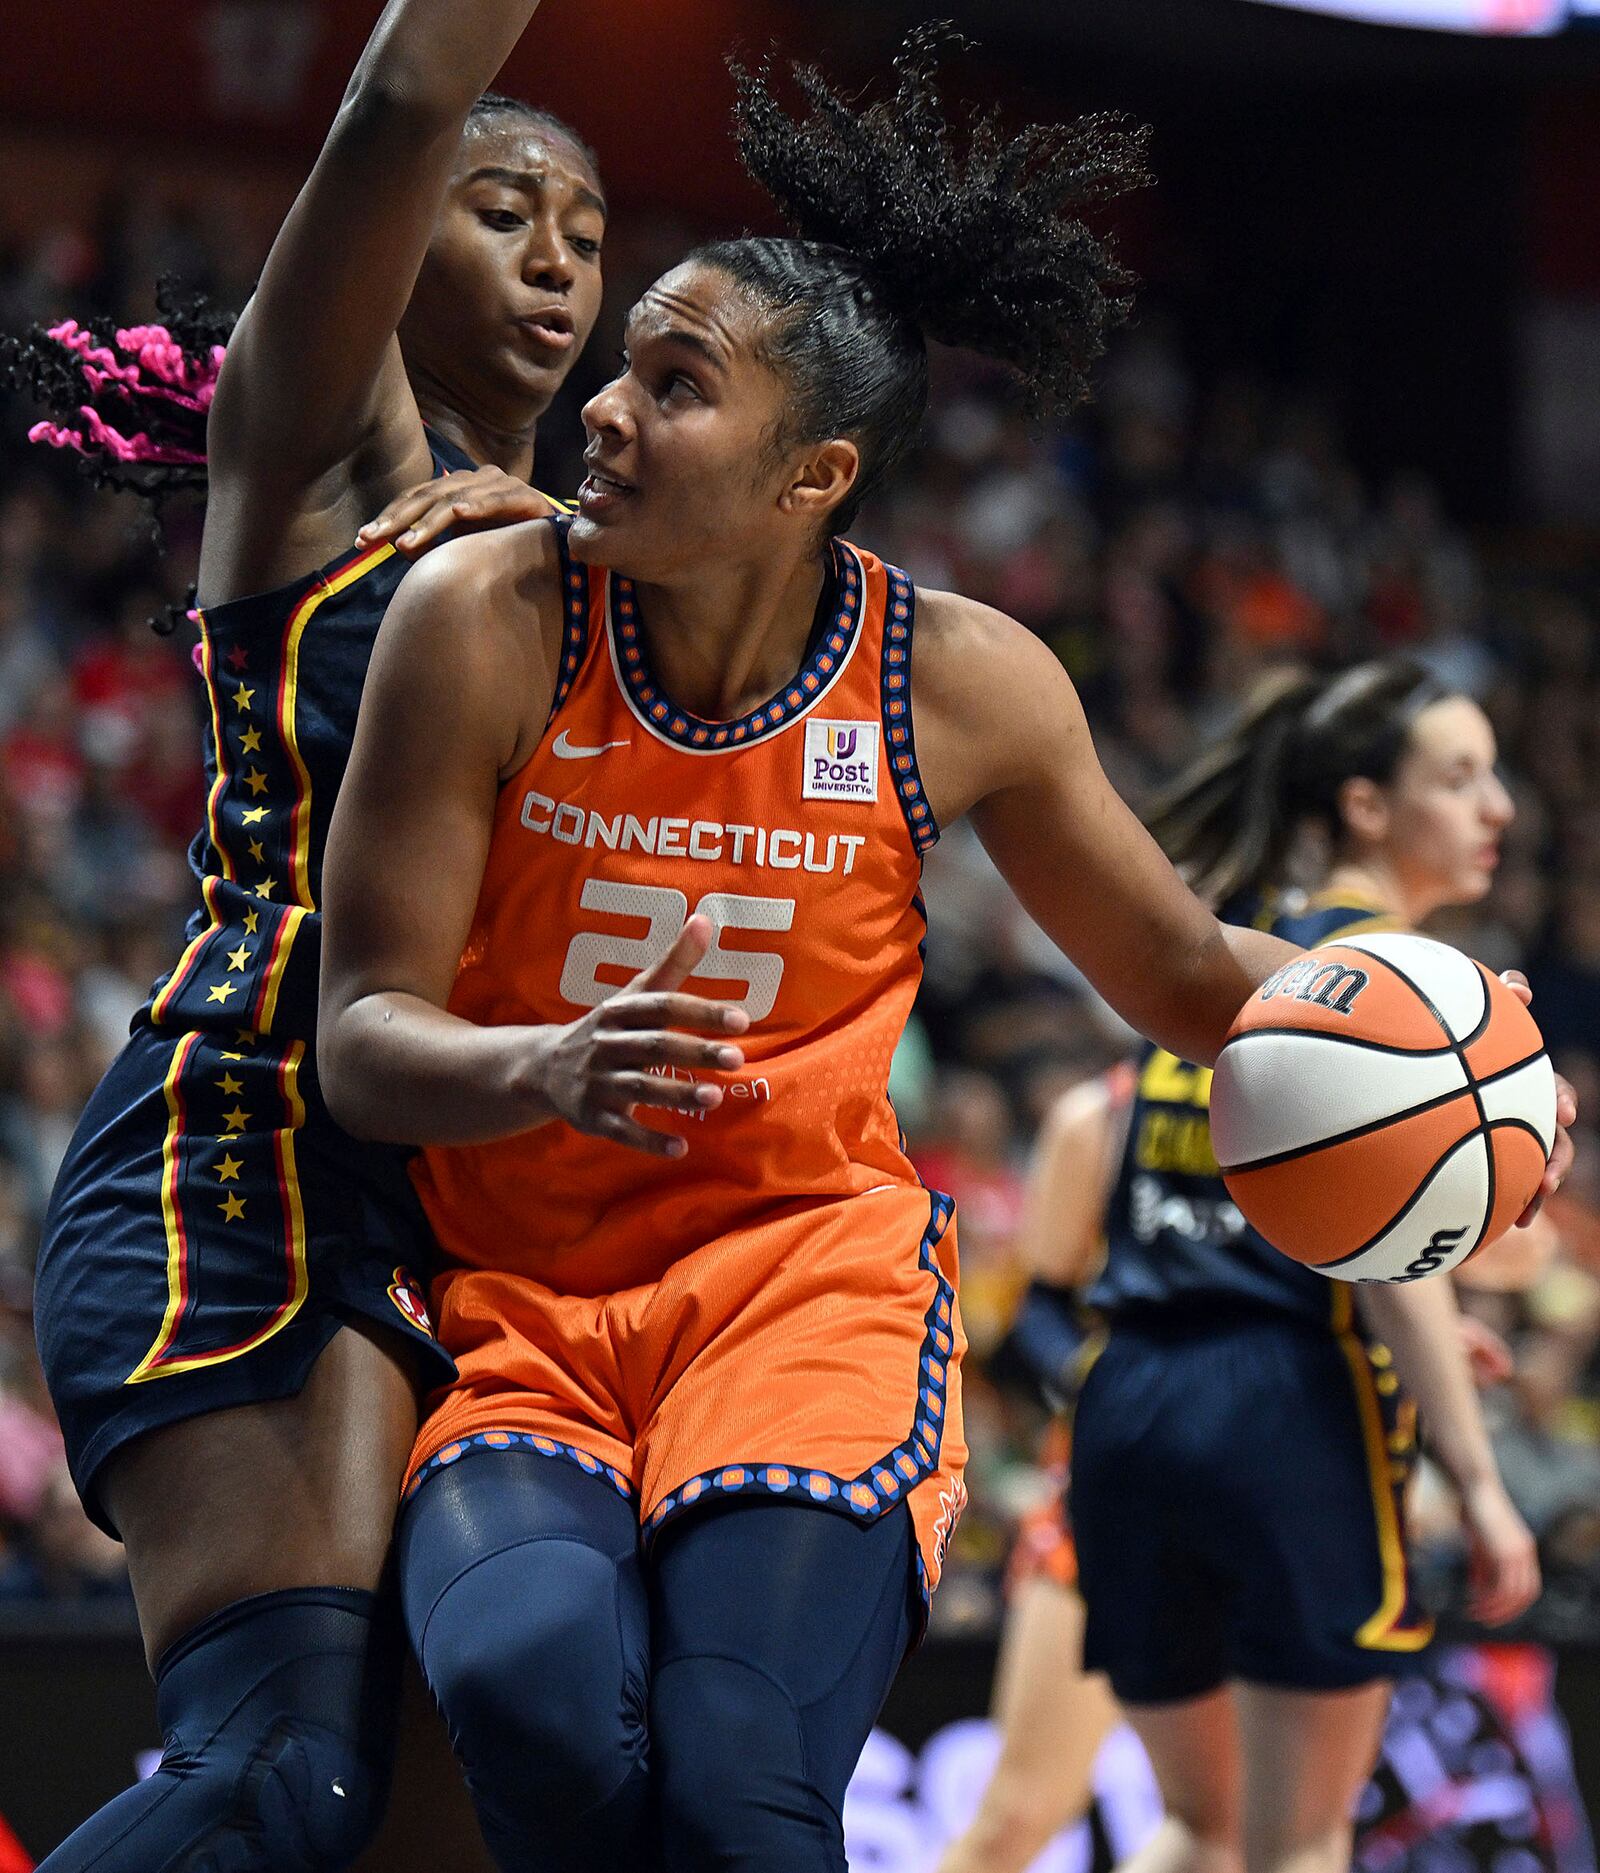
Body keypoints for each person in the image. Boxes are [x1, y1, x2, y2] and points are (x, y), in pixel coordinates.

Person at [317, 37, 1572, 1873]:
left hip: (804, 1291)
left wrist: (1464, 1066)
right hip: (522, 1312)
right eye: (624, 366)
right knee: (534, 1711)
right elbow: (362, 1033)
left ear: (812, 474)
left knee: (743, 1780)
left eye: (676, 386)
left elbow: (1189, 979)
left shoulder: (954, 675)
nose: (602, 408)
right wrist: (538, 1063)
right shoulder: (490, 616)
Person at [24, 0, 603, 1864]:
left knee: (454, 1828)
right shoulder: (326, 459)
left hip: (486, 1199)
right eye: (503, 209)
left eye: (592, 241)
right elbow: (405, 81)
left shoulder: (618, 577)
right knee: (283, 1777)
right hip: (253, 1139)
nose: (554, 263)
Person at [1065, 662, 1547, 1873]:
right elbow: (1390, 1264)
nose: (1498, 808)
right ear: (1365, 806)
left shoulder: (1228, 963)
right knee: (1300, 1842)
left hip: (1131, 1401)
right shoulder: (1407, 993)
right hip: (1291, 1408)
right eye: (1457, 775)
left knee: (1196, 1827)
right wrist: (1478, 1477)